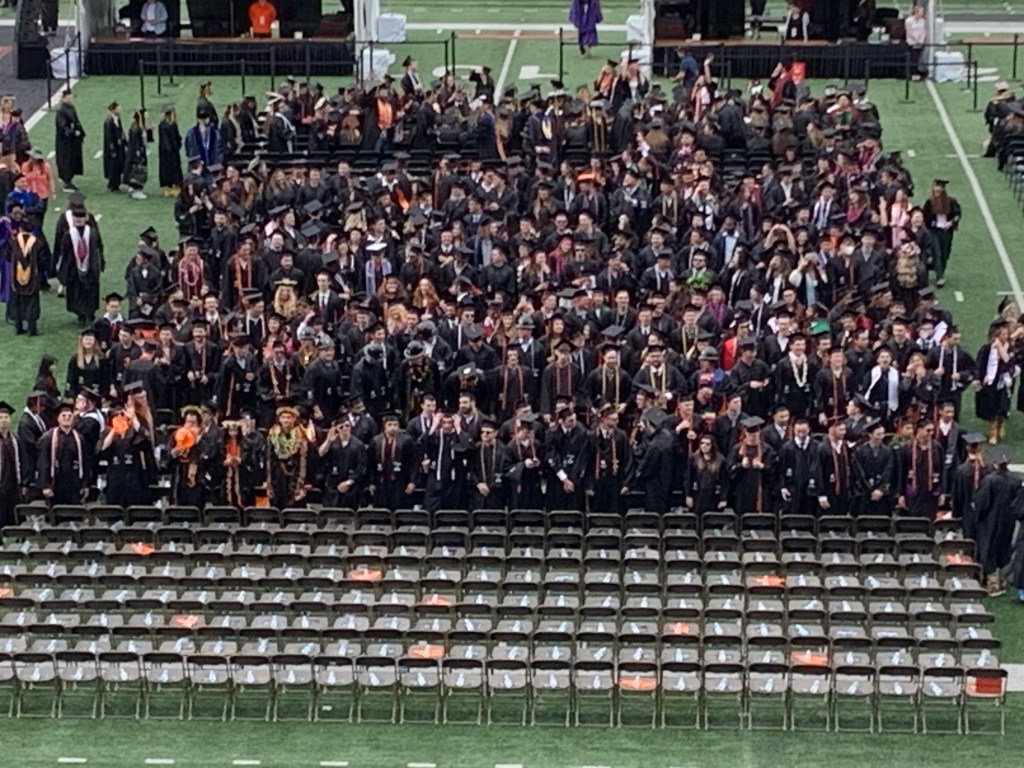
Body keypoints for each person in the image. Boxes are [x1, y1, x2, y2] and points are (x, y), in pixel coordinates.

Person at [971, 446, 1021, 596]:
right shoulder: (1016, 480)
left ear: (996, 463)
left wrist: (977, 512)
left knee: (989, 550)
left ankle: (992, 584)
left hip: (990, 521)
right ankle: (1002, 580)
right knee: (1004, 548)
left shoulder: (990, 480)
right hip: (1008, 521)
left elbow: (982, 503)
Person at [37, 402, 92, 505]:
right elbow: (43, 462)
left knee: (74, 512)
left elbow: (85, 462)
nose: (67, 418)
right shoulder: (48, 438)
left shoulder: (79, 438)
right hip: (55, 484)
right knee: (56, 512)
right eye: (63, 416)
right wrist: (45, 485)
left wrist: (85, 484)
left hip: (74, 484)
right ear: (58, 418)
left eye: (70, 416)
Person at [265, 402, 307, 506]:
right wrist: (269, 483)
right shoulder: (273, 435)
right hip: (277, 475)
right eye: (283, 417)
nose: (286, 420)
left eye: (288, 417)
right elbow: (269, 459)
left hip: (294, 476)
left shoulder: (300, 436)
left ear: (294, 419)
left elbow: (303, 461)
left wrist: (301, 483)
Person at [921, 179, 961, 288]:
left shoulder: (951, 202)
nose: (937, 192)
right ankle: (939, 276)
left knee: (944, 253)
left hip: (946, 231)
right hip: (933, 230)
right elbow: (925, 217)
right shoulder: (929, 202)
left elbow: (957, 215)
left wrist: (951, 223)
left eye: (939, 190)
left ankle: (941, 271)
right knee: (936, 252)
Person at [0, 400, 27, 526]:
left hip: (13, 484)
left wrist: (24, 483)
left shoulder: (15, 440)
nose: (3, 420)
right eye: (0, 418)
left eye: (6, 417)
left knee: (13, 516)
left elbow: (24, 460)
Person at [54, 90, 85, 193]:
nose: (71, 99)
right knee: (66, 160)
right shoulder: (61, 111)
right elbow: (62, 126)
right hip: (64, 141)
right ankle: (66, 181)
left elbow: (77, 122)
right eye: (69, 97)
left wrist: (81, 135)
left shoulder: (71, 108)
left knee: (72, 160)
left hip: (72, 141)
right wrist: (73, 132)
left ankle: (69, 179)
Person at [102, 102, 128, 194]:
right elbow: (108, 137)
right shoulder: (109, 122)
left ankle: (116, 184)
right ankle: (113, 185)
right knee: (113, 167)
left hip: (119, 147)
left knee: (119, 166)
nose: (120, 109)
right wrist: (112, 149)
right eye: (118, 108)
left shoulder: (117, 119)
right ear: (113, 110)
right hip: (113, 149)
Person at [124, 109, 150, 200]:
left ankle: (134, 188)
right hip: (137, 155)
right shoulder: (136, 129)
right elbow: (136, 143)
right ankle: (136, 190)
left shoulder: (139, 127)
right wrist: (138, 153)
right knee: (138, 172)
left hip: (138, 153)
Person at [158, 105, 183, 196]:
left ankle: (170, 186)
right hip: (170, 151)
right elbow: (173, 138)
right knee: (172, 168)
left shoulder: (163, 125)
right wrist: (176, 145)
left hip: (167, 150)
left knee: (169, 169)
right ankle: (172, 186)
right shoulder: (170, 125)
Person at [904, 5, 928, 81]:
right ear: (916, 12)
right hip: (911, 42)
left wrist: (921, 39)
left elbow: (924, 31)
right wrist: (916, 40)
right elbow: (909, 31)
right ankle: (911, 74)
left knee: (918, 58)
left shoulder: (922, 21)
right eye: (921, 12)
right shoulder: (909, 21)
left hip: (920, 42)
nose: (922, 13)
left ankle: (917, 73)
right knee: (912, 58)